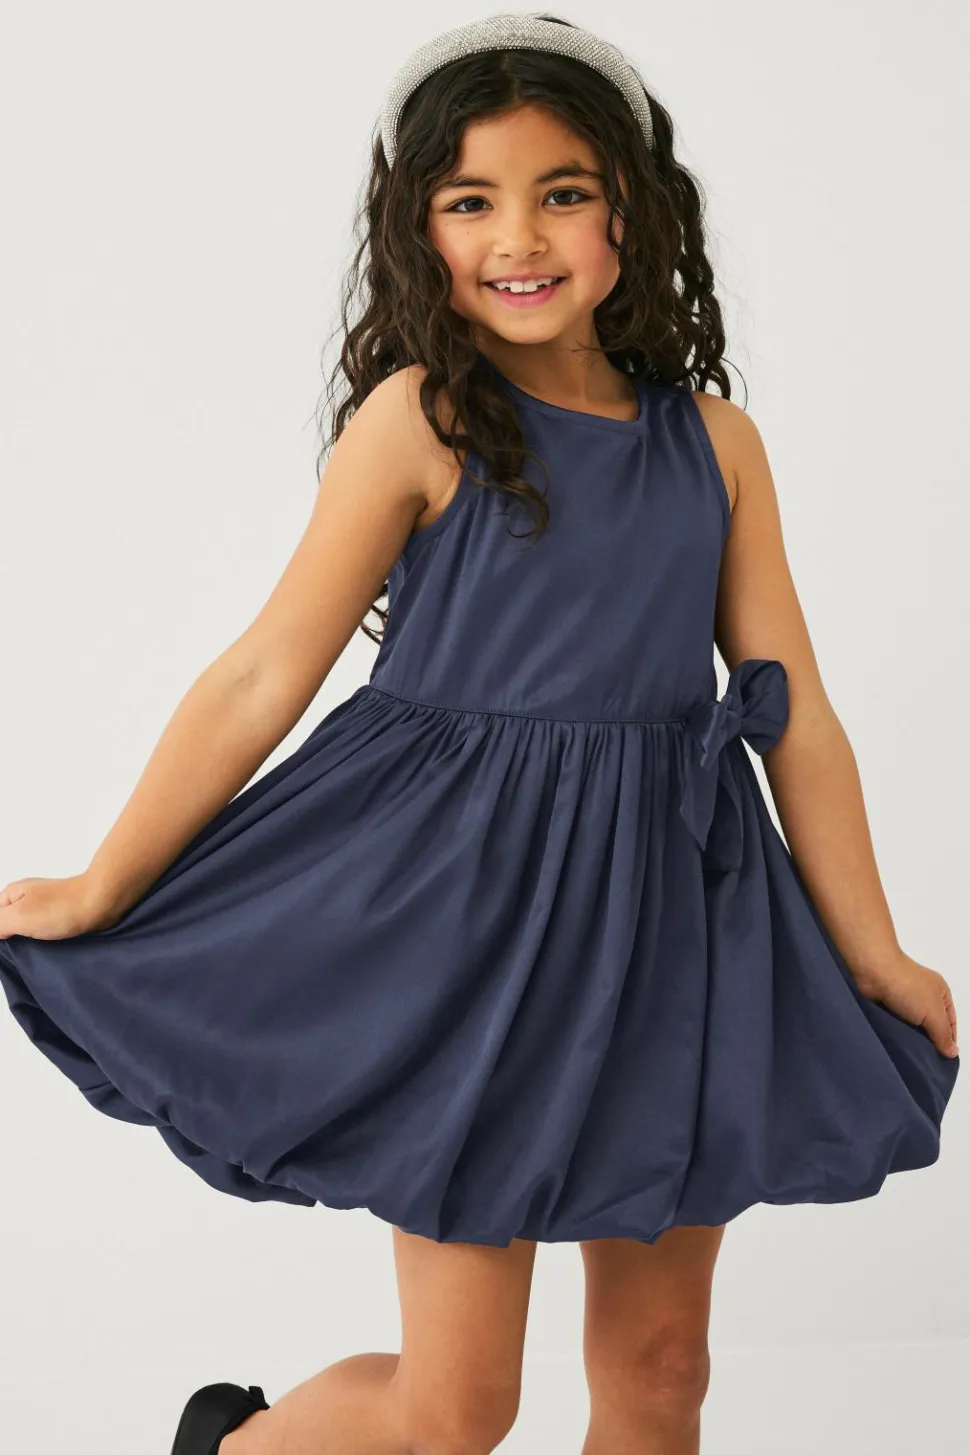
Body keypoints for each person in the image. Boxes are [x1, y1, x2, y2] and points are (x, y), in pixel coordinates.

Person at [0, 12, 960, 1455]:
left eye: (562, 191)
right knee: (458, 1412)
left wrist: (871, 949)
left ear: (632, 211)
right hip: (470, 931)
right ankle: (234, 1447)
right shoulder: (422, 421)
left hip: (675, 925)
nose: (519, 235)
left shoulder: (714, 446)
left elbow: (798, 716)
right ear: (420, 230)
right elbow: (261, 675)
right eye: (470, 200)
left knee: (661, 1370)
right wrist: (100, 885)